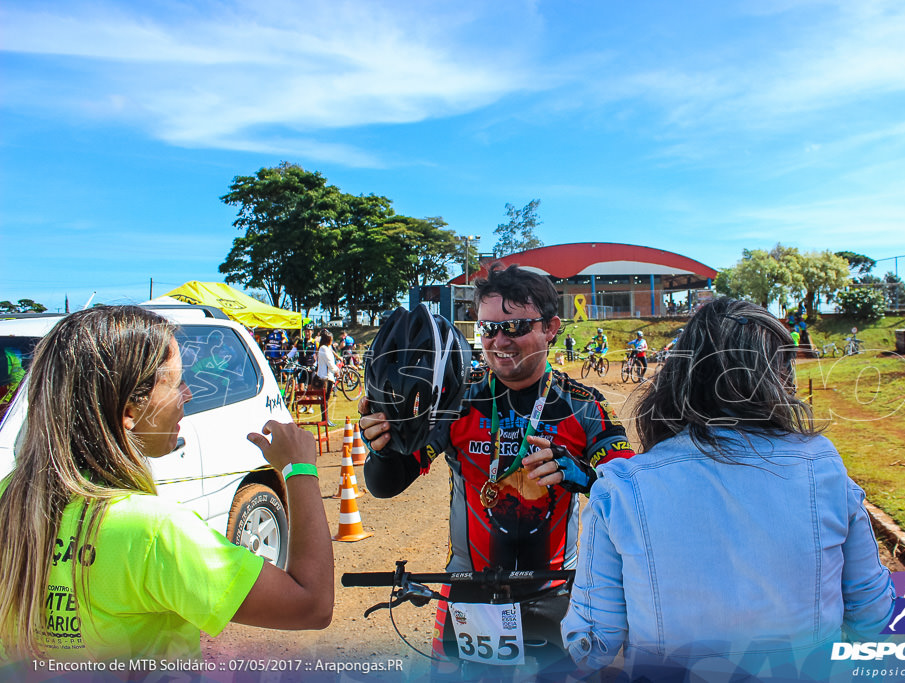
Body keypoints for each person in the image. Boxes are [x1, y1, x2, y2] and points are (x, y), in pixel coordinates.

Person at [561, 297, 894, 679]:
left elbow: (592, 647)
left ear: (680, 376)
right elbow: (873, 613)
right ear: (781, 380)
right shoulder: (824, 468)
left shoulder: (621, 489)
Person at [0, 306, 333, 663]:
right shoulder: (153, 532)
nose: (189, 395)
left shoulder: (10, 497)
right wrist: (299, 468)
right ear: (129, 410)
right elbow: (310, 604)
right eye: (176, 383)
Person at [359, 264, 635, 672]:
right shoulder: (458, 403)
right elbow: (386, 486)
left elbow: (631, 497)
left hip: (556, 594)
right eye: (488, 329)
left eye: (516, 327)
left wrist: (581, 475)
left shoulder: (586, 406)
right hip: (469, 594)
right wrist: (384, 447)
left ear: (551, 327)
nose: (499, 341)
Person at [315, 329, 338, 398]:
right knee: (325, 399)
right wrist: (337, 370)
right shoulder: (324, 348)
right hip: (325, 377)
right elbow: (330, 363)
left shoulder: (325, 348)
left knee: (325, 398)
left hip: (326, 376)